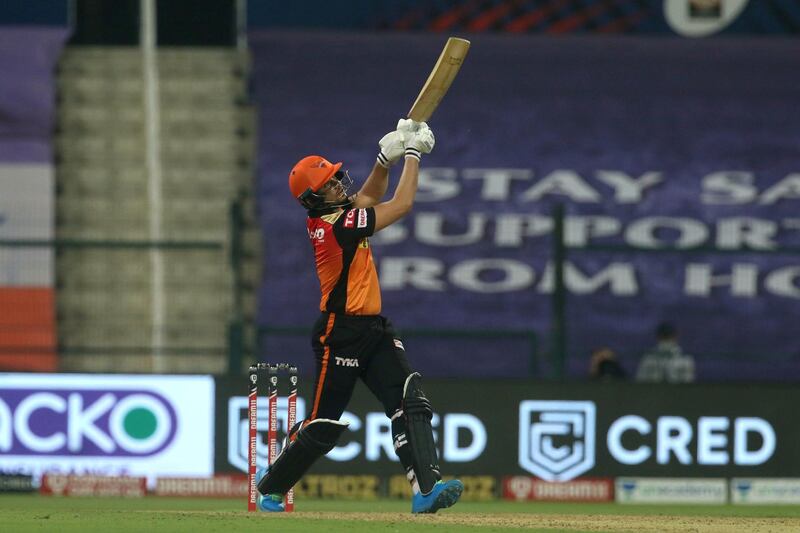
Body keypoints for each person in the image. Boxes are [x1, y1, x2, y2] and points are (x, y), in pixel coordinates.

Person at [256, 119, 463, 514]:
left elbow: (369, 194)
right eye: (330, 184)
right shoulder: (337, 227)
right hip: (340, 333)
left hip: (374, 328)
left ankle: (426, 491)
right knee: (323, 425)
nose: (339, 185)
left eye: (336, 178)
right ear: (314, 199)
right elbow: (399, 205)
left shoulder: (339, 216)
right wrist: (414, 156)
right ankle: (271, 487)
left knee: (410, 401)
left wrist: (385, 160)